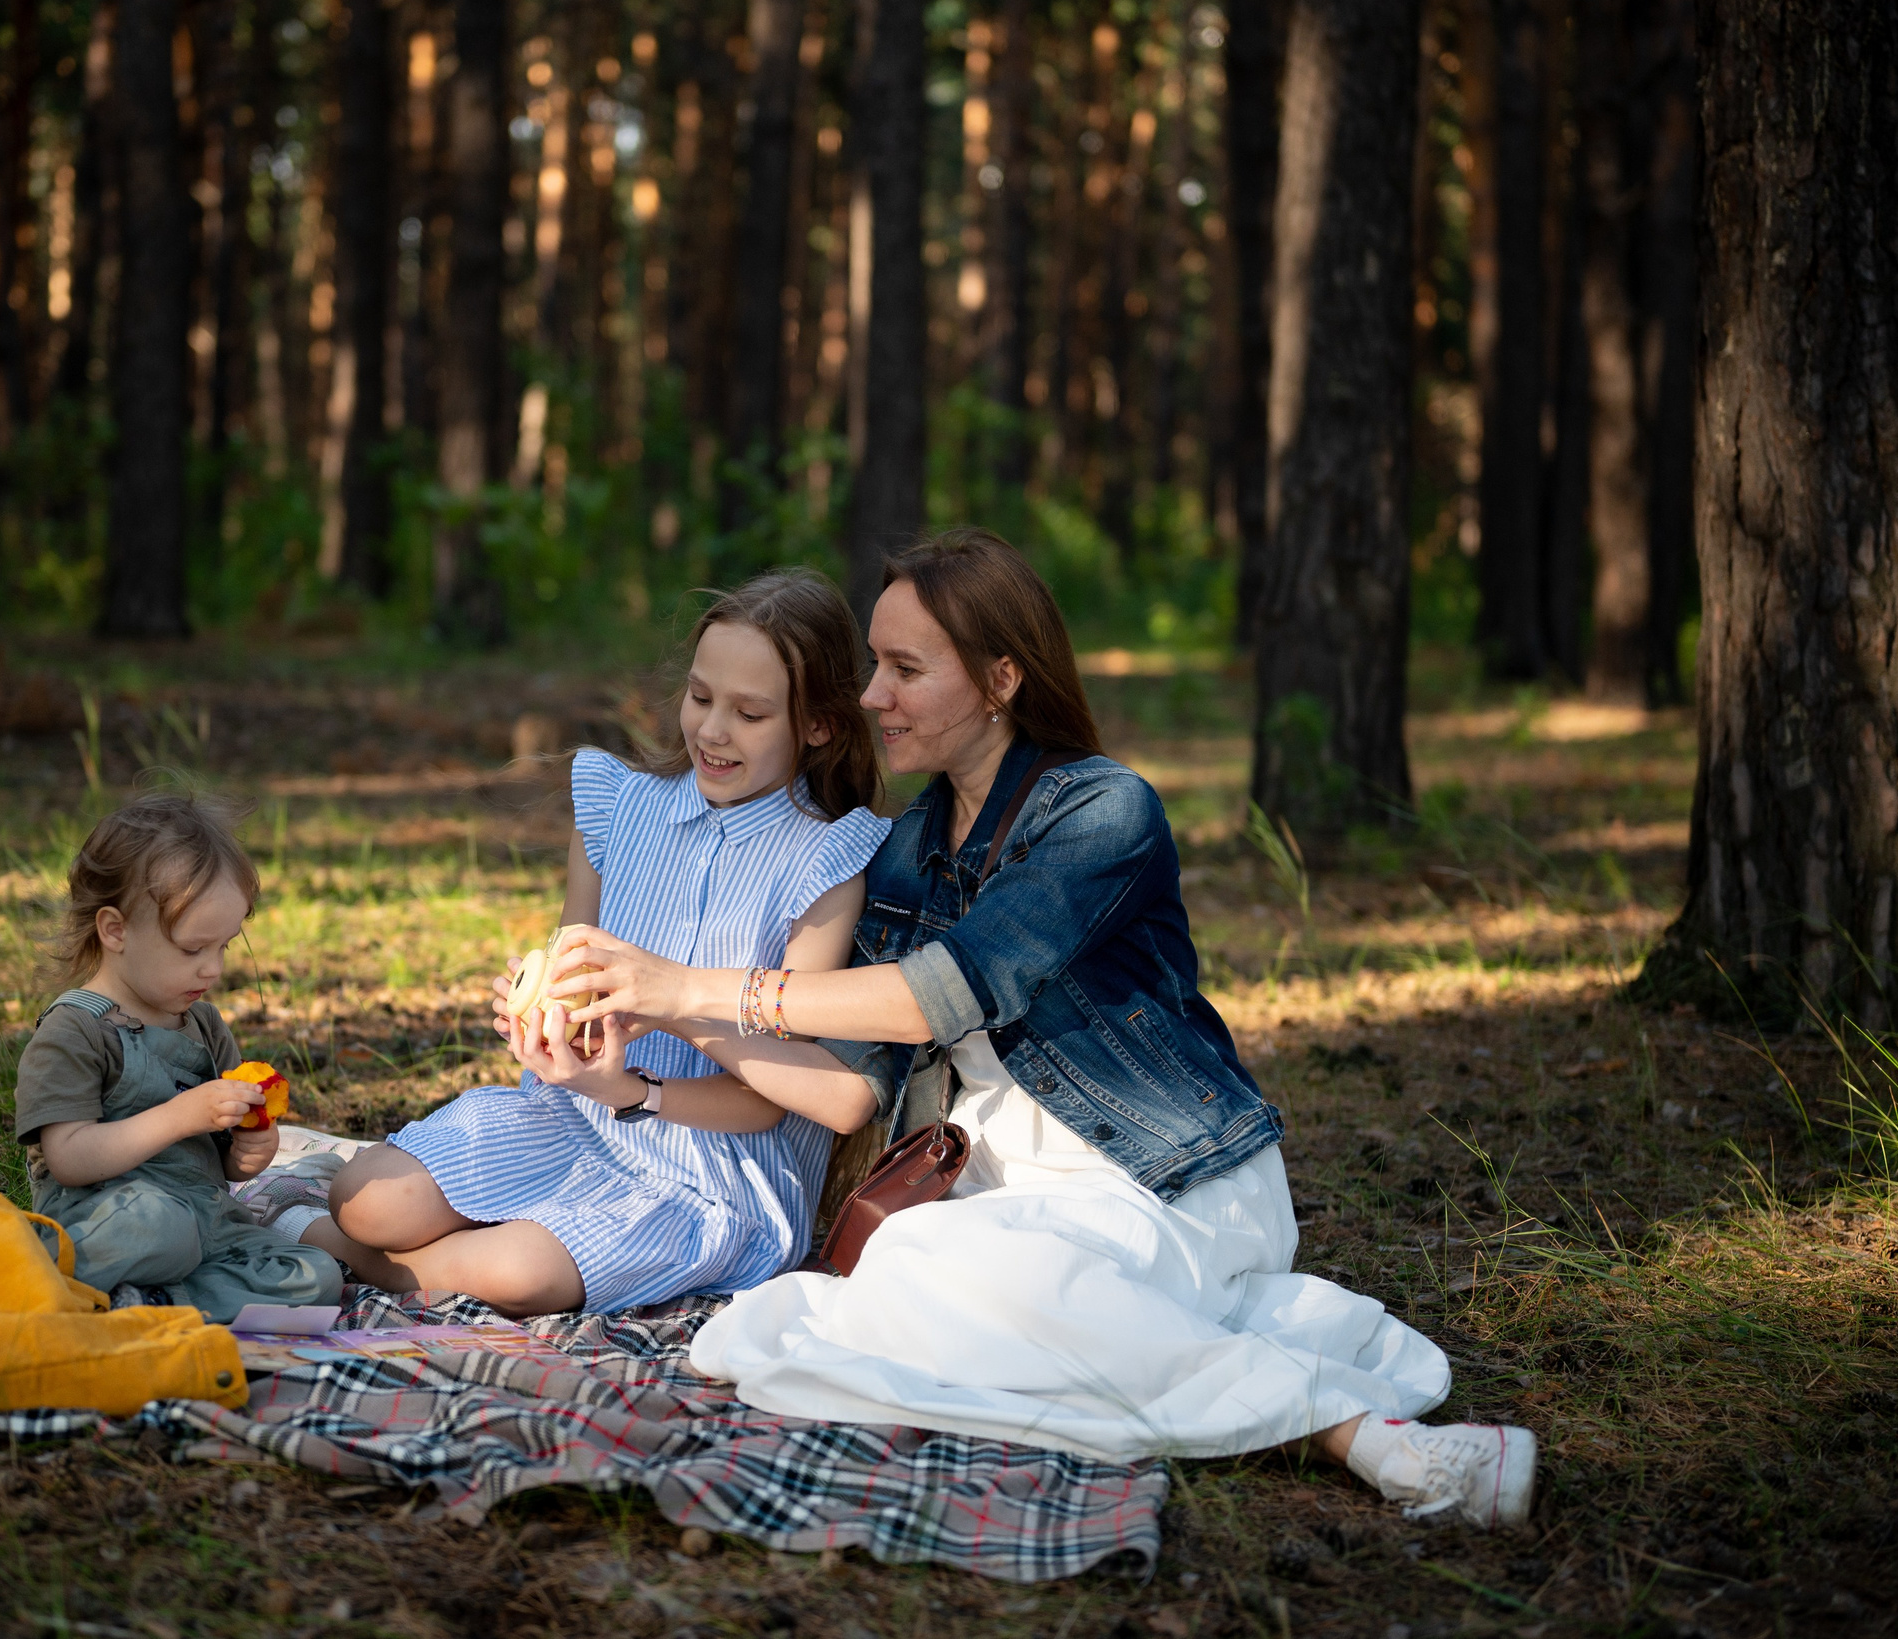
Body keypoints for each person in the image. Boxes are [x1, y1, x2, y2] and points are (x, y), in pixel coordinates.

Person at [543, 529, 1537, 1529]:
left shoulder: (1103, 812)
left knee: (916, 1293)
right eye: (873, 665)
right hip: (994, 1197)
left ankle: (1359, 1436)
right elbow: (856, 1078)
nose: (872, 695)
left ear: (1000, 678)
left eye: (904, 668)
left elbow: (948, 988)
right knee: (846, 1298)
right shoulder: (902, 852)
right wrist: (632, 1066)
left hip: (1161, 1180)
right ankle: (1222, 1347)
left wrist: (696, 989)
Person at [300, 569, 892, 1316]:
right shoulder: (620, 807)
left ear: (818, 725)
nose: (712, 730)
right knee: (367, 1197)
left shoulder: (824, 862)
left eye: (750, 713)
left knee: (520, 1273)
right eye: (701, 697)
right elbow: (575, 981)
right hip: (572, 1114)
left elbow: (770, 1103)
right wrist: (548, 1022)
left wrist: (640, 1078)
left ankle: (352, 1257)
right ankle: (366, 1237)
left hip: (711, 1167)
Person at [13, 792, 344, 1321]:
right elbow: (69, 1159)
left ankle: (145, 1306)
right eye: (193, 949)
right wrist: (179, 1117)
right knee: (161, 1228)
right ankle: (26, 1274)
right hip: (112, 1219)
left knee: (317, 1278)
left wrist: (251, 1145)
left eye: (224, 947)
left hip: (207, 1221)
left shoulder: (205, 1027)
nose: (212, 969)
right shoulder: (74, 1029)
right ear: (115, 930)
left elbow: (223, 1165)